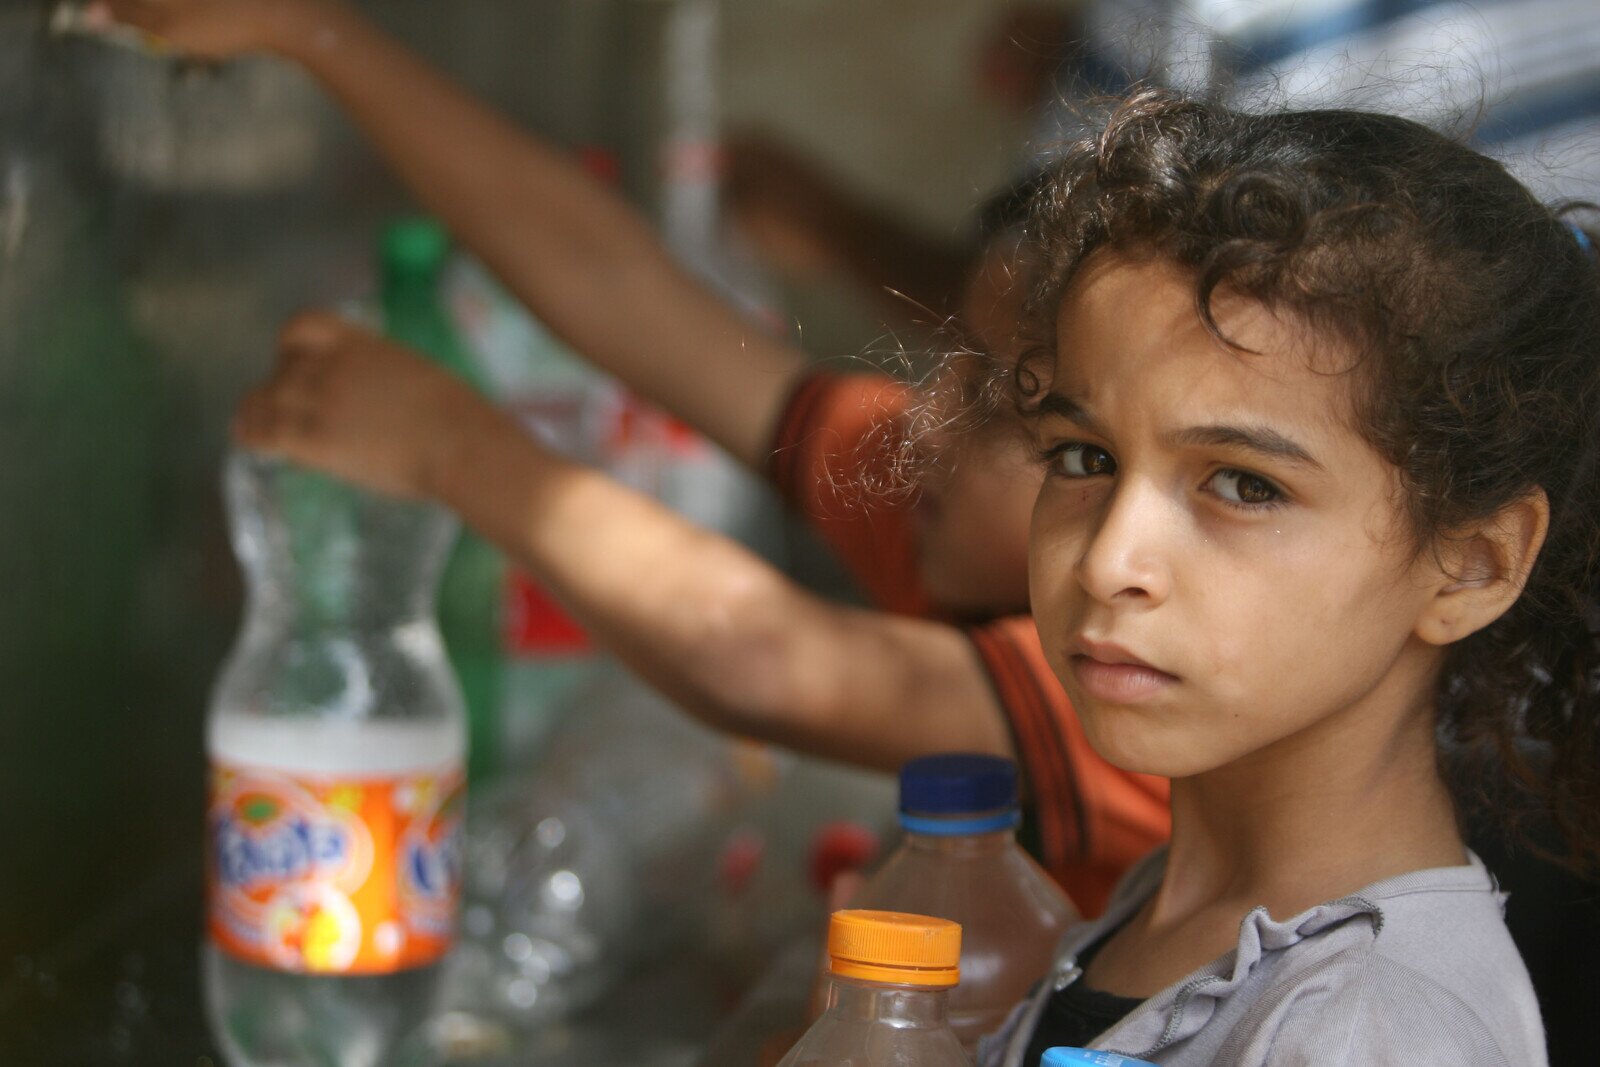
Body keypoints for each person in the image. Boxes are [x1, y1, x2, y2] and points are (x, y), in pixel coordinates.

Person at [93, 0, 1169, 915]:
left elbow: (759, 655)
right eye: (952, 363)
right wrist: (314, 33)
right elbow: (624, 289)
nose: (926, 420)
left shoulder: (1135, 690)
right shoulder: (958, 504)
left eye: (998, 402)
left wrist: (450, 445)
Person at [970, 90, 1598, 1064]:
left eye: (1242, 484)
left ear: (1472, 564)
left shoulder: (1369, 1029)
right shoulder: (1177, 911)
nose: (1108, 562)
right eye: (1083, 458)